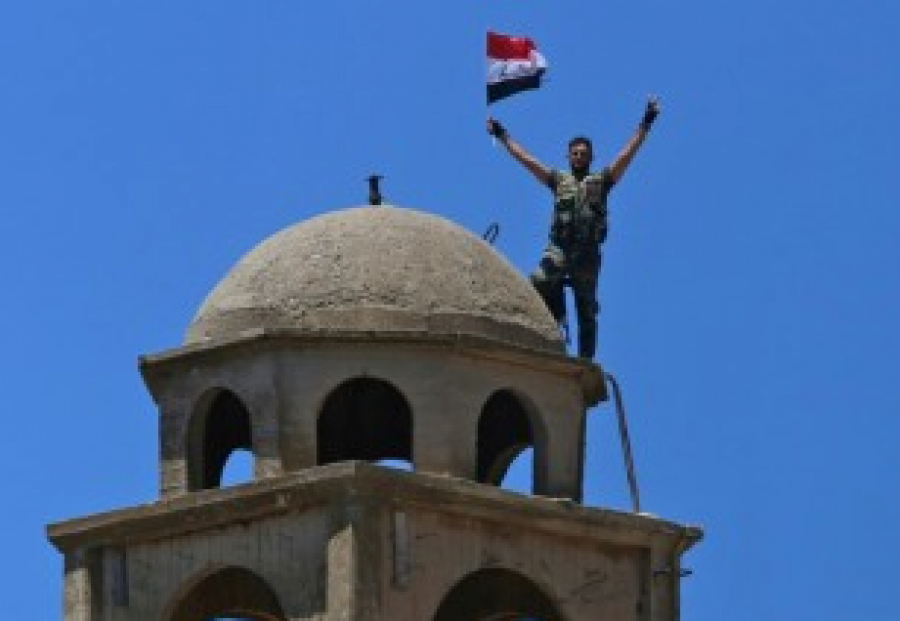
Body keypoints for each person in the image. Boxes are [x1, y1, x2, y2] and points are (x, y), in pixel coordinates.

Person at [487, 98, 660, 359]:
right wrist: (503, 135)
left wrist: (645, 123)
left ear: (591, 157)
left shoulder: (601, 181)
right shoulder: (559, 180)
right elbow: (528, 161)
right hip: (559, 248)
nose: (579, 157)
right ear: (568, 157)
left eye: (584, 154)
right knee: (539, 281)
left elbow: (626, 155)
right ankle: (554, 317)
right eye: (575, 153)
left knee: (587, 312)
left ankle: (585, 362)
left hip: (586, 256)